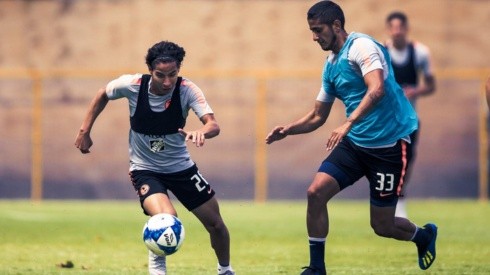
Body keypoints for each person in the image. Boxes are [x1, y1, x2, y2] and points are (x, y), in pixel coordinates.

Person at [265, 1, 437, 274]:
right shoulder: (330, 65)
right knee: (315, 192)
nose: (314, 37)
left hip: (388, 147)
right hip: (356, 146)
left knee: (383, 226)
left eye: (318, 30)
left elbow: (377, 88)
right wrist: (288, 129)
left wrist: (348, 123)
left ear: (336, 25)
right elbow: (317, 116)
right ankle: (316, 268)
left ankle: (424, 236)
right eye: (311, 31)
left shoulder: (362, 47)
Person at [75, 41, 235, 275]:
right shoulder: (132, 85)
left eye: (172, 74)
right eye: (160, 75)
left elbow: (213, 124)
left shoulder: (187, 89)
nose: (167, 82)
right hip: (145, 169)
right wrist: (84, 131)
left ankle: (225, 270)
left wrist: (202, 131)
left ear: (179, 69)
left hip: (182, 169)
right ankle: (157, 271)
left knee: (216, 225)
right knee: (166, 218)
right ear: (150, 71)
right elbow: (102, 94)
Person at [385, 11, 436, 218]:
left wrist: (415, 91)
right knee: (389, 160)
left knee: (407, 161)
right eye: (393, 28)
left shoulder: (420, 52)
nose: (397, 32)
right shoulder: (382, 52)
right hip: (386, 120)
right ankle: (386, 200)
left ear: (406, 29)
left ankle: (399, 200)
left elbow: (431, 85)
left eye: (400, 27)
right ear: (389, 30)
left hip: (410, 119)